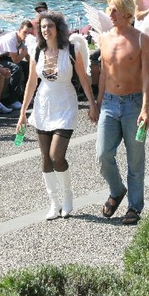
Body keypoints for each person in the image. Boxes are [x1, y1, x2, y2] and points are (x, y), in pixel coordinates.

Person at [16, 12, 97, 220]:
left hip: (65, 104)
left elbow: (83, 77)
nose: (46, 30)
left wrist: (92, 104)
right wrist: (22, 113)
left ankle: (68, 196)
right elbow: (31, 82)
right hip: (43, 105)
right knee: (45, 158)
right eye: (43, 27)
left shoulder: (71, 49)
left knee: (56, 156)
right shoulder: (37, 51)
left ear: (57, 28)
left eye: (50, 26)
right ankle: (54, 202)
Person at [97, 0, 149, 226]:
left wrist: (145, 108)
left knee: (135, 159)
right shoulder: (104, 38)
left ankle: (134, 206)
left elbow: (148, 76)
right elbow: (102, 72)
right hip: (109, 103)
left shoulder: (142, 39)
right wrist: (97, 103)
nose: (110, 14)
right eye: (109, 10)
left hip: (132, 105)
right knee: (102, 155)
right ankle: (117, 189)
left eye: (114, 10)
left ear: (127, 13)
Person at [0, 20, 33, 110]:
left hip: (8, 57)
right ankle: (13, 99)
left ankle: (27, 94)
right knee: (16, 68)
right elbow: (16, 60)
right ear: (19, 30)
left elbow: (26, 57)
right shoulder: (11, 39)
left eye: (29, 33)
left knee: (27, 66)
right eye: (25, 32)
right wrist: (25, 51)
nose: (26, 35)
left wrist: (32, 64)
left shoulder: (24, 39)